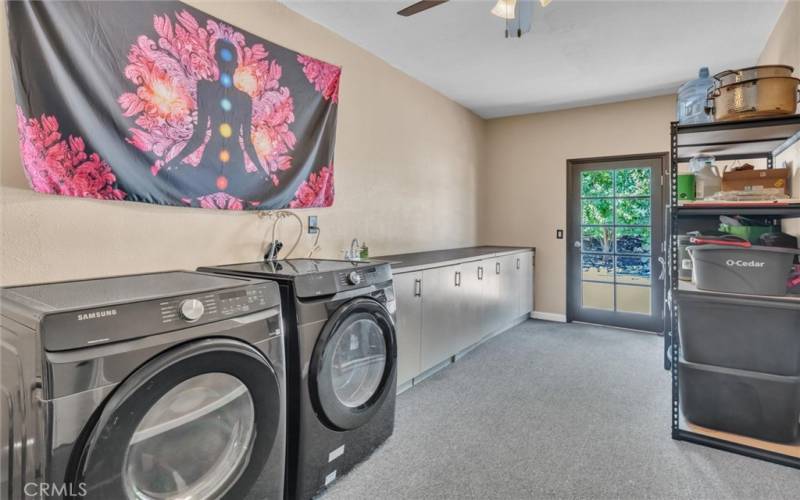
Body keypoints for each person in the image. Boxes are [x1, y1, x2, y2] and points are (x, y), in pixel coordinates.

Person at [165, 40, 267, 202]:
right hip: (210, 160)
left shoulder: (245, 99)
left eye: (229, 60)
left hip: (235, 162)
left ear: (235, 64)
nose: (226, 65)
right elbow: (199, 136)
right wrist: (175, 161)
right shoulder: (205, 88)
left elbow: (247, 142)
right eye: (222, 59)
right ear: (216, 60)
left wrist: (262, 171)